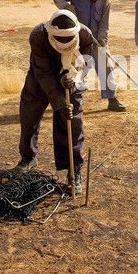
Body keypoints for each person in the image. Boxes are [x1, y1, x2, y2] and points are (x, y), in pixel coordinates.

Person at [14, 10, 93, 195]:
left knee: (72, 124)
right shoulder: (38, 35)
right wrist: (59, 104)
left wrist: (73, 81)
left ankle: (74, 171)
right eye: (59, 38)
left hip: (72, 78)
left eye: (68, 39)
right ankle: (28, 158)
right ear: (50, 31)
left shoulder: (85, 34)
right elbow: (43, 73)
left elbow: (86, 64)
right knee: (29, 117)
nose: (64, 43)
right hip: (40, 79)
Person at [53, 0, 126, 112]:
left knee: (106, 67)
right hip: (77, 38)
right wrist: (66, 7)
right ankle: (75, 98)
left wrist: (103, 40)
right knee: (78, 68)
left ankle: (112, 100)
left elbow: (104, 23)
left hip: (97, 39)